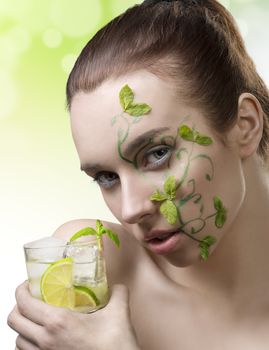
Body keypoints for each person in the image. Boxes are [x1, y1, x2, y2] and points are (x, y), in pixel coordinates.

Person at [7, 0, 269, 349]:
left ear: (245, 126)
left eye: (157, 154)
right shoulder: (92, 266)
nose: (131, 209)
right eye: (105, 177)